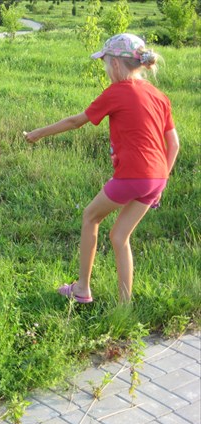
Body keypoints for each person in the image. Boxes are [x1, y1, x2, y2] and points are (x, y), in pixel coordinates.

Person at [23, 33, 180, 303]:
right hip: (157, 177)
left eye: (106, 64)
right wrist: (161, 181)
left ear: (116, 65)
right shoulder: (159, 95)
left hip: (133, 174)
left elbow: (75, 121)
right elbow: (174, 145)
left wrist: (38, 133)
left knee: (90, 217)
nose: (107, 70)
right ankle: (124, 304)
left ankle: (82, 289)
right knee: (120, 236)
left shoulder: (117, 91)